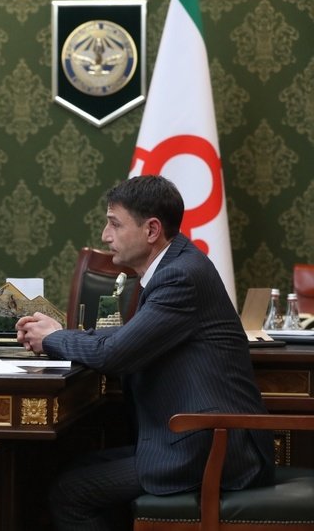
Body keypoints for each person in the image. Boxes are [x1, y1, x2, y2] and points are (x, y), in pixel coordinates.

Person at [16, 175, 274, 531]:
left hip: (214, 449)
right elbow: (128, 337)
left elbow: (116, 353)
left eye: (115, 224)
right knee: (73, 466)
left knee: (70, 493)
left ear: (151, 230)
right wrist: (60, 335)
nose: (105, 236)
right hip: (191, 439)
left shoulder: (180, 276)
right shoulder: (175, 266)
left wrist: (54, 338)